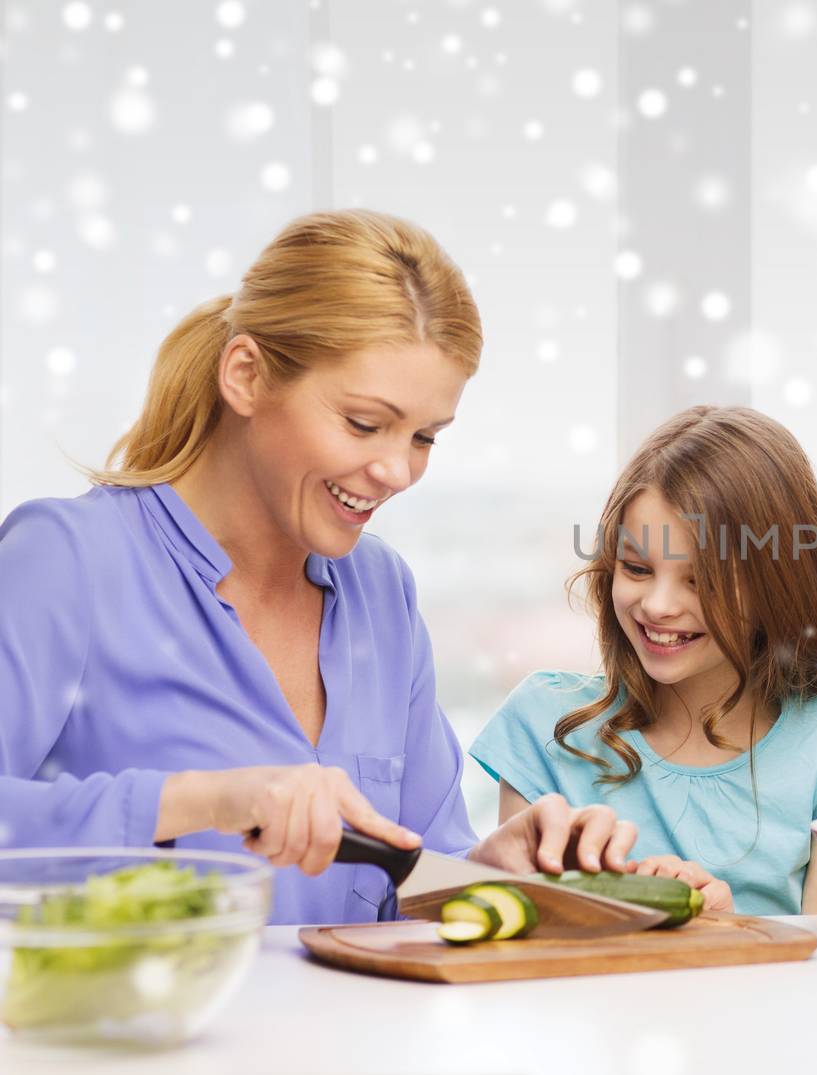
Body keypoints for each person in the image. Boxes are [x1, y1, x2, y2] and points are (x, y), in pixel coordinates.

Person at [0, 210, 635, 924]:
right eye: (364, 423)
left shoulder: (381, 594)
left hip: (357, 1039)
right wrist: (208, 800)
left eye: (425, 436)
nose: (396, 469)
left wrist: (495, 873)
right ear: (245, 375)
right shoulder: (69, 560)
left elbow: (410, 868)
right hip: (133, 1033)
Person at [471, 406, 817, 915]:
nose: (658, 605)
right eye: (637, 568)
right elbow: (508, 937)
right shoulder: (545, 722)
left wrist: (728, 929)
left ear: (777, 586)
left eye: (701, 580)